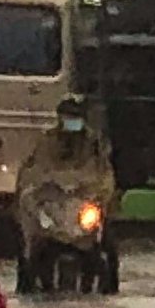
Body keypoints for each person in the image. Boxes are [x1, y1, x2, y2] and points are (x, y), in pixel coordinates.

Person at [14, 97, 114, 286]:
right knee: (31, 218)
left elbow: (104, 174)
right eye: (68, 116)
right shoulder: (46, 141)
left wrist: (99, 192)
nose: (72, 121)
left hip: (83, 200)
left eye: (76, 117)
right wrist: (39, 185)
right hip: (52, 202)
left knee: (102, 228)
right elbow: (32, 170)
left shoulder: (95, 144)